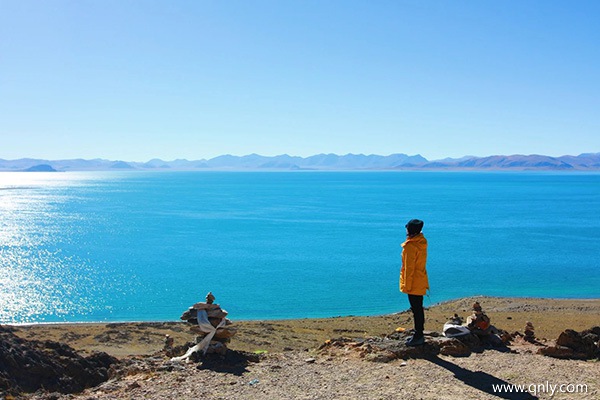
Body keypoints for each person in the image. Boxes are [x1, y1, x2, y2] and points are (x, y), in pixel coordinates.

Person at [400, 219, 429, 346]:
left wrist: (407, 286)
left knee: (416, 309)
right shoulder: (422, 242)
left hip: (413, 282)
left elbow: (409, 268)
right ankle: (419, 334)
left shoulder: (410, 246)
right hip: (421, 278)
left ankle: (418, 336)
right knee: (418, 308)